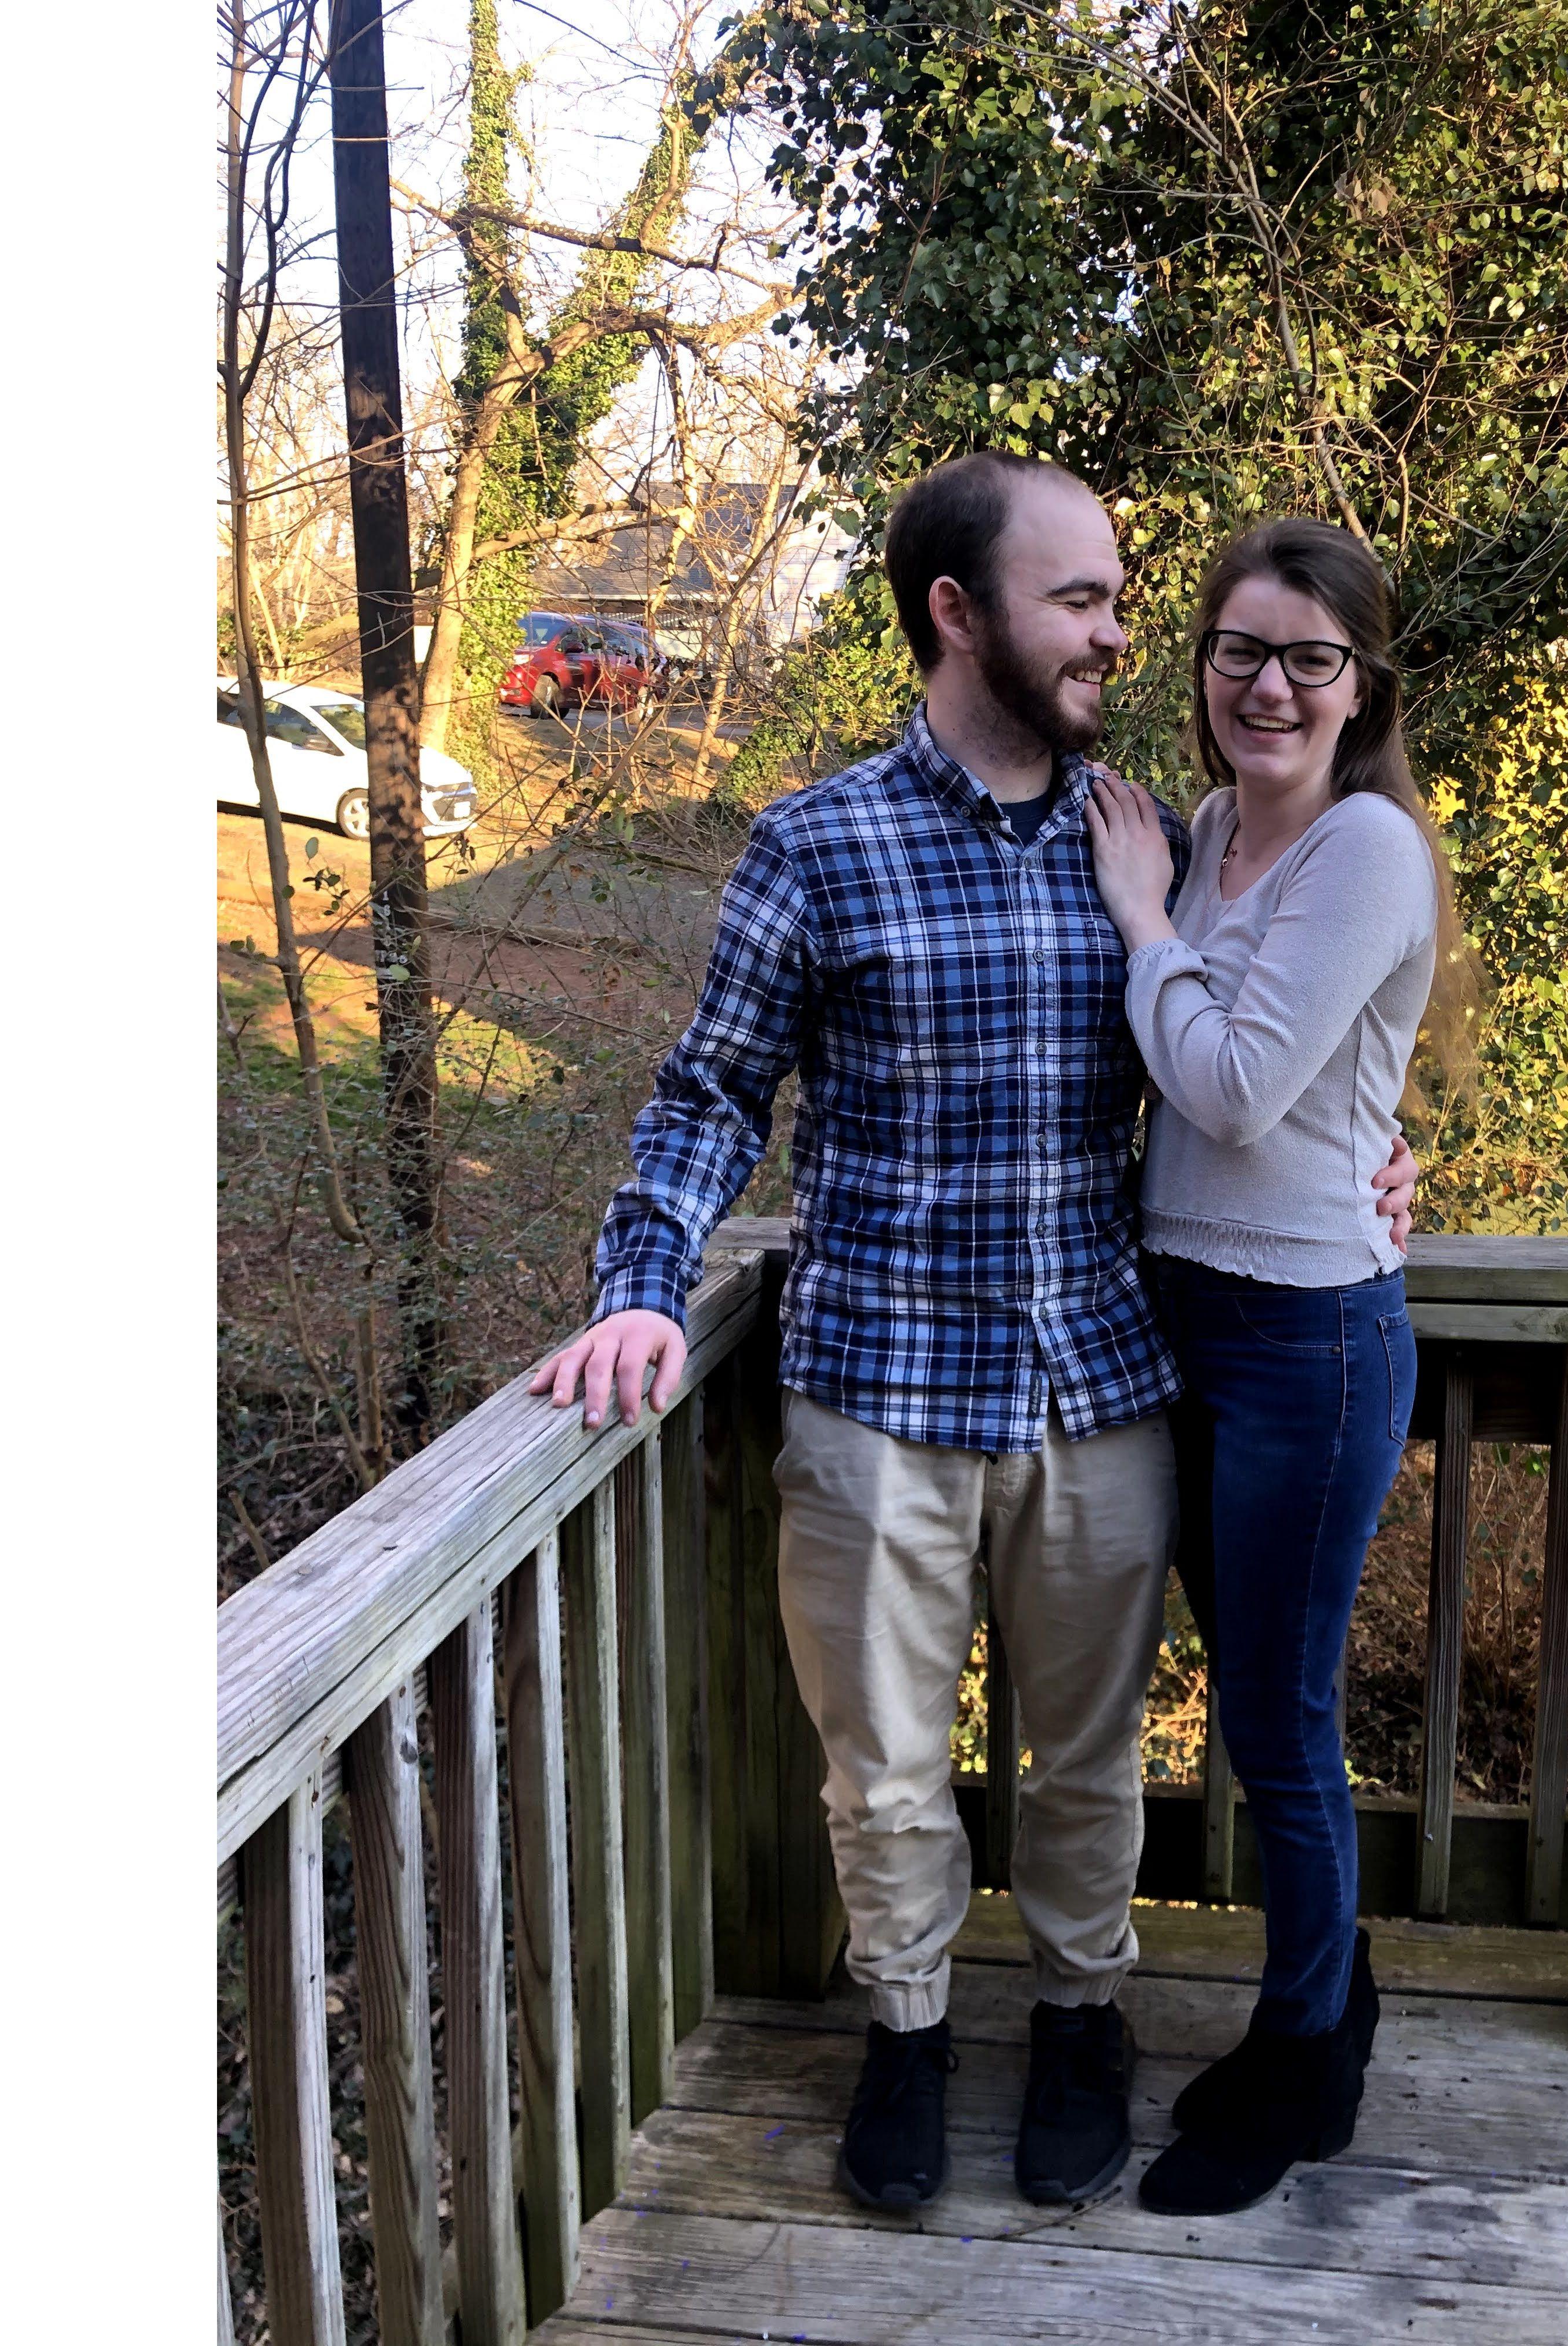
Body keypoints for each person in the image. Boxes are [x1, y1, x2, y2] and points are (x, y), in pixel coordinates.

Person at [528, 454, 1419, 2216]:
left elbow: (1275, 1045)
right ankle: (911, 2031)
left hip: (1103, 1385)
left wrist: (1386, 1155)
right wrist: (641, 1281)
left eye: (1119, 600)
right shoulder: (817, 843)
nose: (1115, 634)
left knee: (1090, 1764)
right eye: (1078, 599)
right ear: (958, 613)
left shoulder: (1149, 843)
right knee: (883, 1775)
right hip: (879, 1389)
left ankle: (1082, 2022)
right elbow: (711, 1092)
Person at [1083, 515, 1476, 2217]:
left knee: (1279, 1720)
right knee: (1247, 1693)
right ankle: (1336, 1993)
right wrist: (1159, 904)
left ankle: (1307, 2058)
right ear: (1204, 666)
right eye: (1241, 650)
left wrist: (1137, 919)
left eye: (1310, 659)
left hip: (1307, 1338)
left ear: (1361, 685)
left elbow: (1236, 1088)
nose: (1270, 686)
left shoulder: (1363, 847)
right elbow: (1237, 1079)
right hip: (1180, 1314)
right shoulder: (1201, 832)